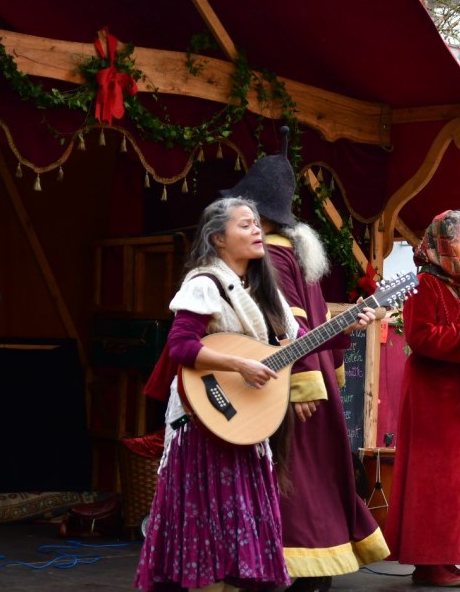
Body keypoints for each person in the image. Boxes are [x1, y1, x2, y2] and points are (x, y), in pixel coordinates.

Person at [220, 147, 388, 591]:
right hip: (308, 379)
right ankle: (314, 569)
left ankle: (284, 567)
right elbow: (309, 325)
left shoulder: (272, 257)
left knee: (294, 483)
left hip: (288, 385)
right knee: (314, 481)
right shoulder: (296, 252)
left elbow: (287, 326)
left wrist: (300, 387)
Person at [135, 197, 303, 592]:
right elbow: (180, 347)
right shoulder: (204, 284)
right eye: (245, 225)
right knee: (206, 524)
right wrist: (239, 365)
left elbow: (295, 344)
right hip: (204, 424)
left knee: (237, 529)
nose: (257, 230)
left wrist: (351, 325)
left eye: (257, 224)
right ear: (218, 239)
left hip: (243, 424)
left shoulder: (261, 292)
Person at [383, 210, 460, 587]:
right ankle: (429, 563)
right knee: (436, 480)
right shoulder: (424, 283)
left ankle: (449, 557)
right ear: (441, 243)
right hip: (434, 399)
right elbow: (420, 338)